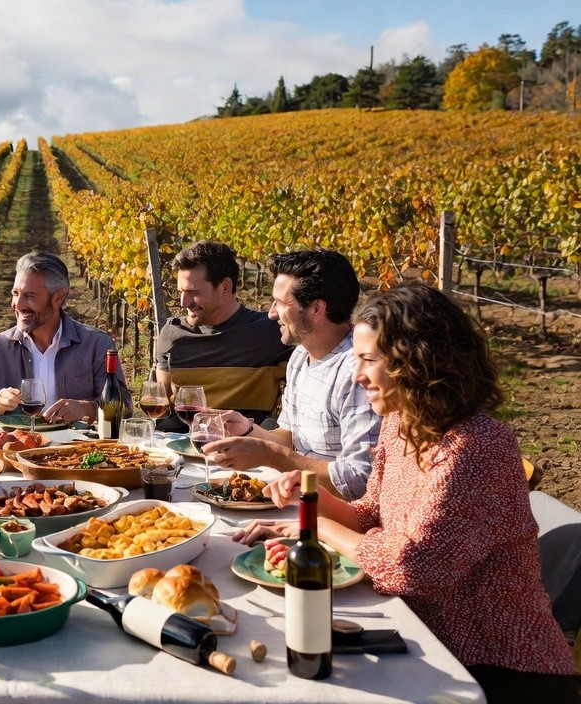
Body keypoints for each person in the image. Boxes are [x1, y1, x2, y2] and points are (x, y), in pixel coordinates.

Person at [247, 283, 579, 703]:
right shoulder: (401, 421)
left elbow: (414, 566)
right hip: (423, 637)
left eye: (368, 360)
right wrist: (310, 502)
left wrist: (321, 531)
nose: (356, 375)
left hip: (497, 665)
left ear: (416, 361)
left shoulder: (475, 446)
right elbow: (372, 513)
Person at [202, 249, 379, 499]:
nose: (271, 313)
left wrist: (270, 456)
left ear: (317, 308)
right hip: (301, 499)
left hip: (339, 516)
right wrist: (247, 430)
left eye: (281, 303)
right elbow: (288, 438)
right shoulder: (299, 357)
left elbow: (359, 480)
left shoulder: (359, 373)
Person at [0, 251, 131, 424]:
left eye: (30, 296)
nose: (17, 305)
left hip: (79, 448)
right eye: (15, 293)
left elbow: (125, 405)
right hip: (19, 446)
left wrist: (89, 409)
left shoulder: (96, 345)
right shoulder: (0, 347)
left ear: (58, 298)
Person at [154, 241, 293, 427]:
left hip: (241, 448)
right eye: (180, 292)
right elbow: (159, 401)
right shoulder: (172, 334)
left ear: (225, 286)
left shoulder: (270, 332)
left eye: (193, 292)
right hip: (176, 445)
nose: (183, 303)